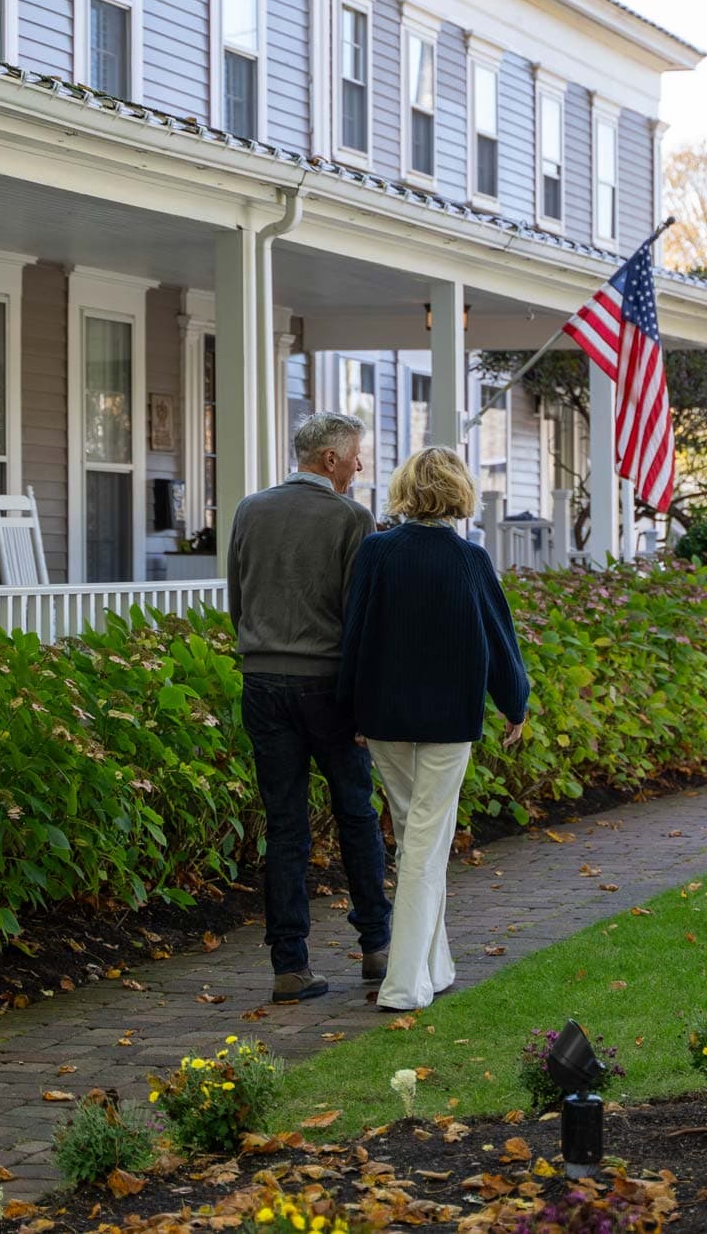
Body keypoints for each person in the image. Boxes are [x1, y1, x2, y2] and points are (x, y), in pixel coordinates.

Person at [337, 446, 529, 1012]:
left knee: (418, 837)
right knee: (424, 843)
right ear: (459, 491)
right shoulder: (469, 559)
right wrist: (515, 704)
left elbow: (355, 635)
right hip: (448, 720)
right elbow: (500, 641)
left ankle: (434, 966)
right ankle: (404, 985)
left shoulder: (377, 551)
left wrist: (351, 711)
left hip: (385, 719)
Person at [226, 410, 391, 1003]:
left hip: (262, 682)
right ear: (330, 459)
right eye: (355, 456)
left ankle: (289, 966)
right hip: (328, 686)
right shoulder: (352, 517)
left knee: (285, 824)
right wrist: (367, 706)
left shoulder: (250, 510)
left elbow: (237, 600)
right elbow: (361, 618)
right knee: (356, 815)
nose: (360, 466)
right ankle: (377, 948)